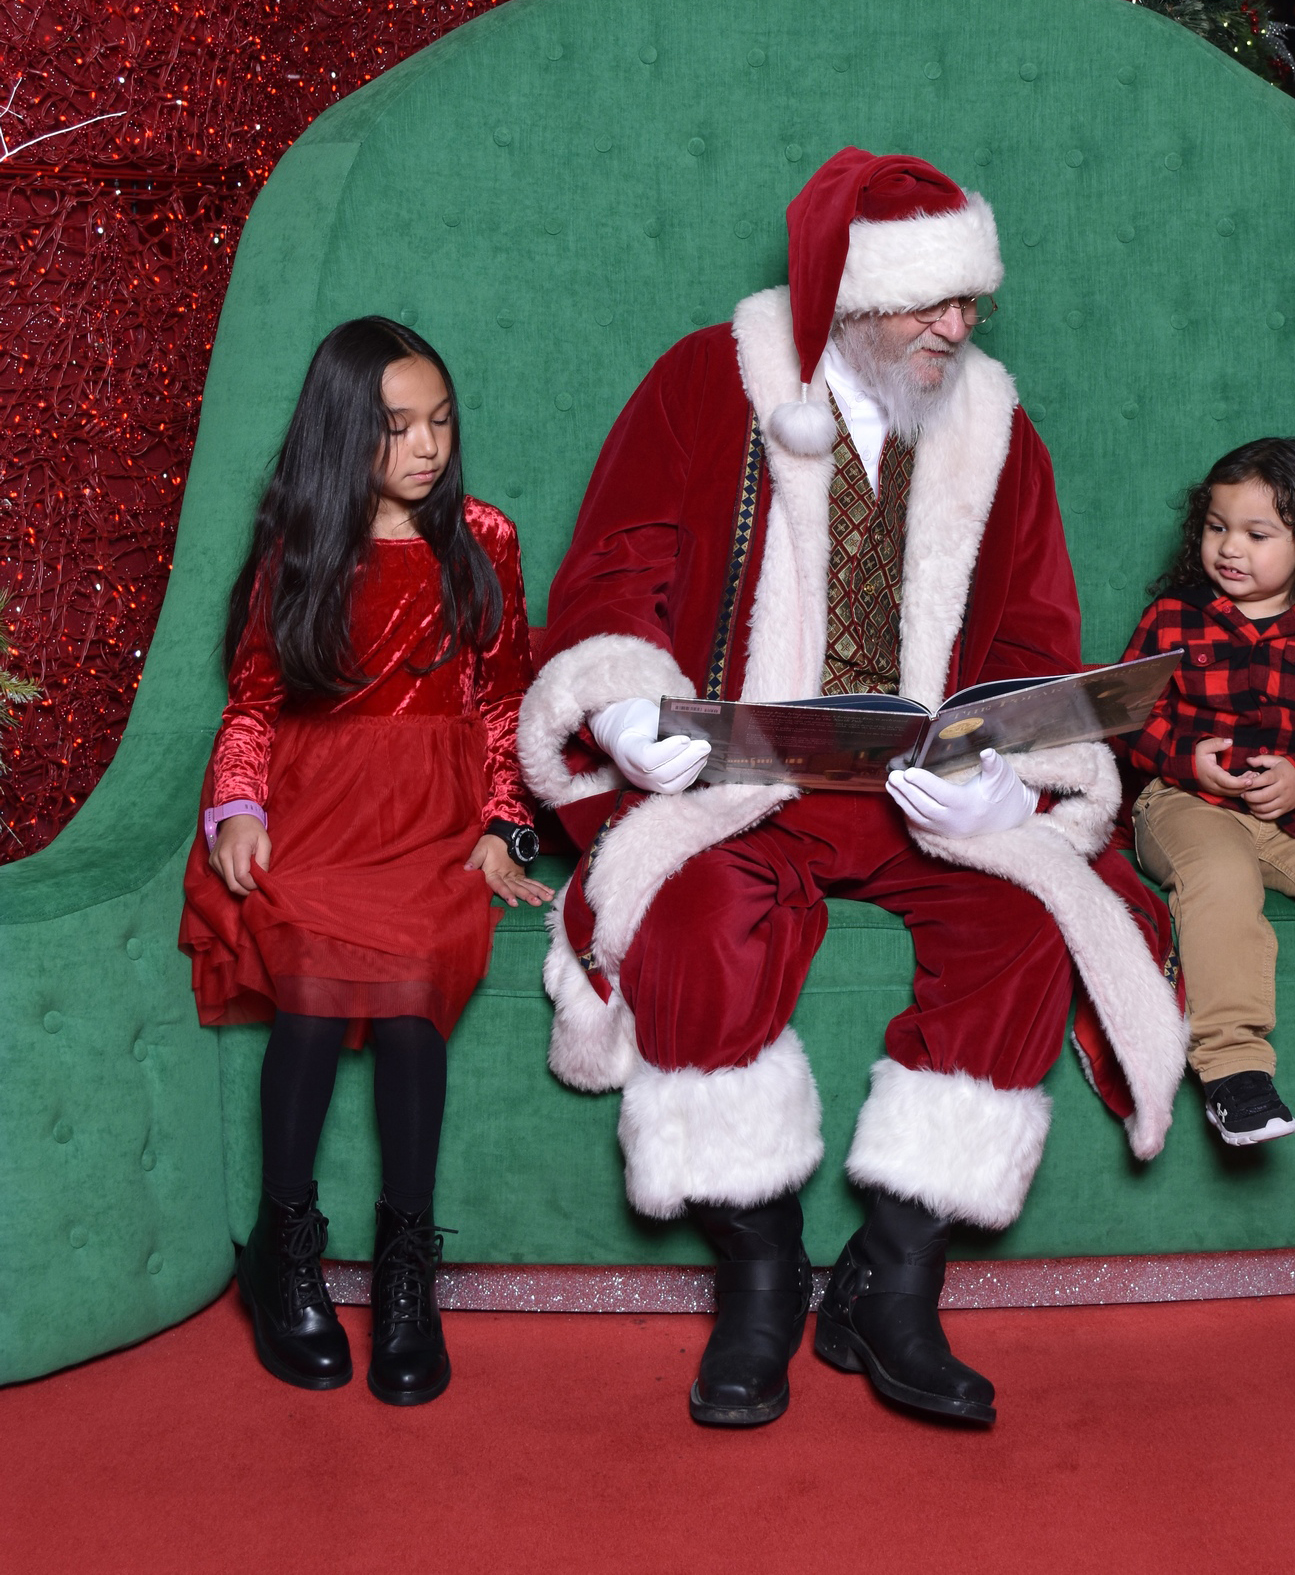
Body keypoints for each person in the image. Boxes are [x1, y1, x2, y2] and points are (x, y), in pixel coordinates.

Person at [518, 148, 1189, 1429]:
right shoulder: (706, 385)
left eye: (967, 301)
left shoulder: (997, 428)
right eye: (925, 303)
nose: (955, 328)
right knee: (695, 915)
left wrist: (1006, 780)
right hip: (742, 785)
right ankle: (762, 1278)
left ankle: (893, 1279)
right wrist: (629, 707)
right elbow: (615, 571)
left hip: (915, 791)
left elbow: (1038, 650)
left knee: (1029, 916)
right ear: (840, 292)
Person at [179, 317, 552, 1405]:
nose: (426, 447)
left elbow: (504, 700)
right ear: (346, 434)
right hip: (318, 814)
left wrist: (500, 823)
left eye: (439, 422)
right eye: (396, 428)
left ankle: (404, 1273)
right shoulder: (301, 544)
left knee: (406, 1008)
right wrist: (239, 806)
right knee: (304, 1002)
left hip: (427, 825)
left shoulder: (484, 538)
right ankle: (281, 1248)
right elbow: (253, 699)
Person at [1117, 437, 1295, 1157]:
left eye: (1255, 533)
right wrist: (1186, 757)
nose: (1229, 548)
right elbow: (1123, 713)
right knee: (1221, 878)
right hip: (1187, 802)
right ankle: (1233, 1068)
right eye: (1216, 527)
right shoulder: (1173, 619)